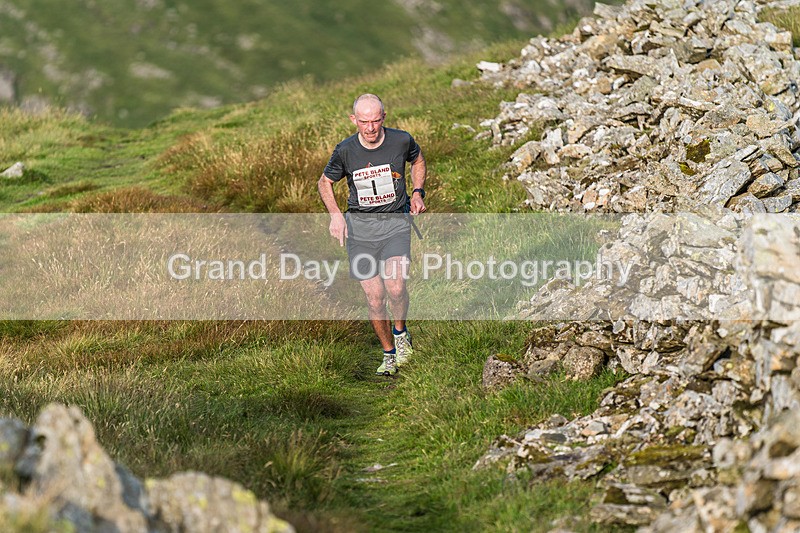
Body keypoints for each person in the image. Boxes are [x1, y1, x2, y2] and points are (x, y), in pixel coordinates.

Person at [317, 93, 427, 376]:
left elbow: (417, 160)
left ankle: (401, 334)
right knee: (375, 297)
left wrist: (417, 192)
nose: (370, 128)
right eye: (364, 121)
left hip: (395, 225)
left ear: (384, 118)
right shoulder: (345, 150)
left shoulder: (401, 140)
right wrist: (335, 215)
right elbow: (325, 182)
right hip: (360, 232)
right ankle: (388, 353)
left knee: (396, 288)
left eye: (375, 121)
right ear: (354, 120)